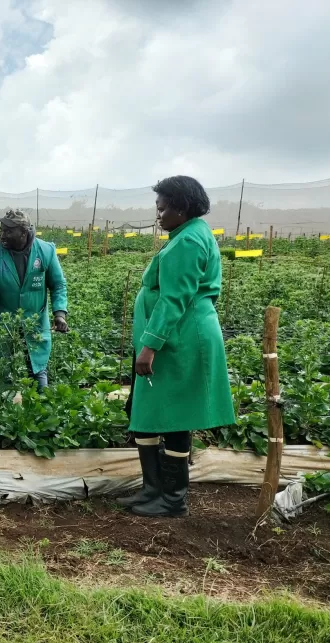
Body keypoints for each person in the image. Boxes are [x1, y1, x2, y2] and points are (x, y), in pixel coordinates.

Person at [118, 175, 235, 518]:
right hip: (176, 337)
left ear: (182, 209)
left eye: (163, 207)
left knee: (174, 419)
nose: (158, 215)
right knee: (148, 414)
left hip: (179, 340)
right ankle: (153, 490)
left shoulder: (187, 242)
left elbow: (174, 299)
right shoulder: (189, 233)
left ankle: (172, 500)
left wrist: (150, 345)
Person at [0, 209, 68, 390]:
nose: (2, 235)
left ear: (24, 233)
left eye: (9, 231)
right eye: (1, 229)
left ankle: (42, 407)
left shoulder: (45, 251)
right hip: (3, 322)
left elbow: (58, 284)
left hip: (35, 321)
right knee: (3, 371)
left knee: (37, 369)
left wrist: (59, 314)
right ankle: (4, 409)